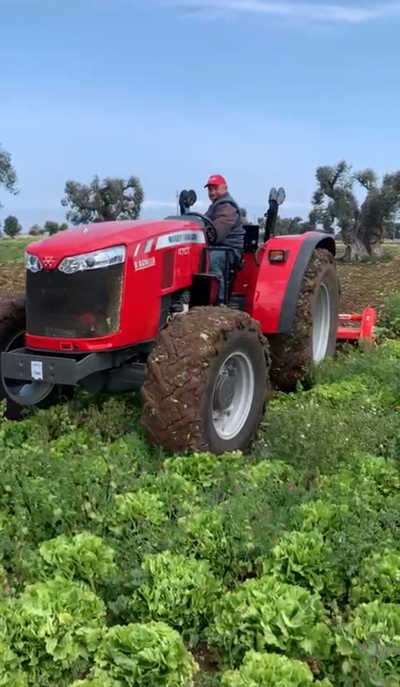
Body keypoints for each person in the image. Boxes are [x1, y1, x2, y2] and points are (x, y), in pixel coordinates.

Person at [204, 174, 245, 304]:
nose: (212, 192)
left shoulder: (228, 206)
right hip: (218, 247)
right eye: (210, 189)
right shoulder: (215, 206)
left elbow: (218, 232)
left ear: (225, 188)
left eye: (215, 188)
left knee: (212, 261)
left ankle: (219, 302)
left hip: (230, 250)